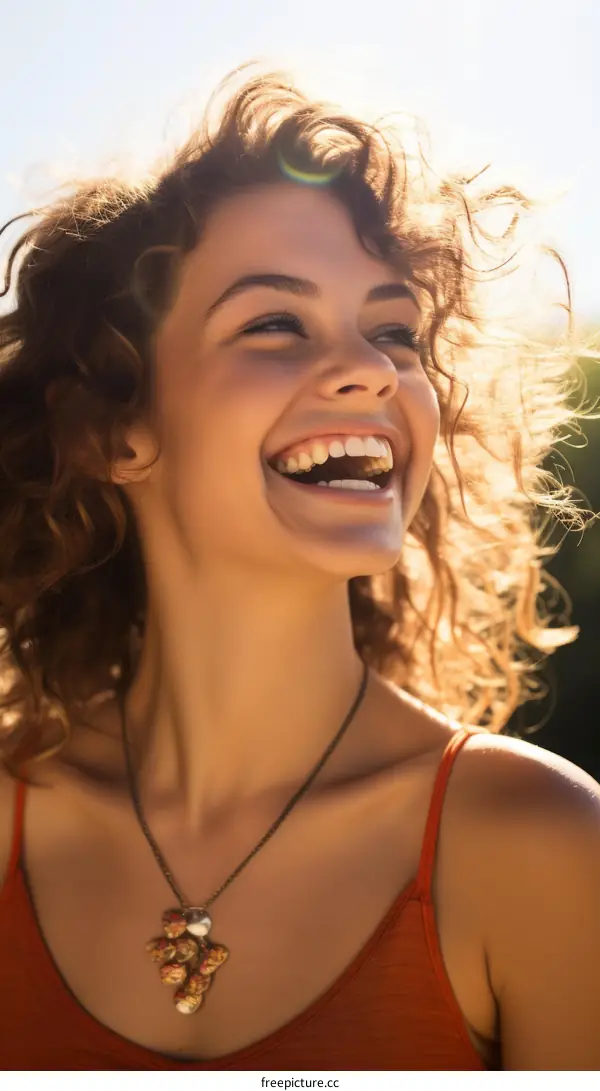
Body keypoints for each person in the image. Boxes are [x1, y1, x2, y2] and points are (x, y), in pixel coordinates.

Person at [0, 62, 599, 1073]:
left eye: (395, 329)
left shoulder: (542, 846)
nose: (373, 365)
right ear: (114, 428)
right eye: (275, 321)